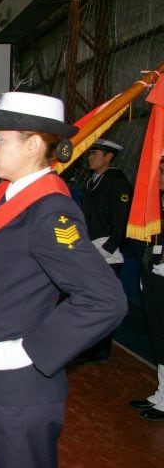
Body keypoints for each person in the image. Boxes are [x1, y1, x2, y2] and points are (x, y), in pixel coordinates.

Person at [0, 92, 127, 468]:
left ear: (32, 145)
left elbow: (103, 299)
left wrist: (30, 350)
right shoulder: (9, 199)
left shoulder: (50, 212)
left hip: (18, 389)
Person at [79, 138, 133, 362]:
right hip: (91, 245)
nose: (91, 157)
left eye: (96, 153)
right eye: (90, 153)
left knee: (103, 302)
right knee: (88, 300)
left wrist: (110, 247)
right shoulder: (94, 181)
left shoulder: (116, 181)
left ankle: (100, 350)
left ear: (108, 156)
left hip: (106, 250)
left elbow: (121, 219)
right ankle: (88, 346)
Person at [129, 152, 164, 422]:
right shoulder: (158, 203)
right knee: (158, 335)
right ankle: (161, 393)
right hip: (154, 273)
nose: (159, 177)